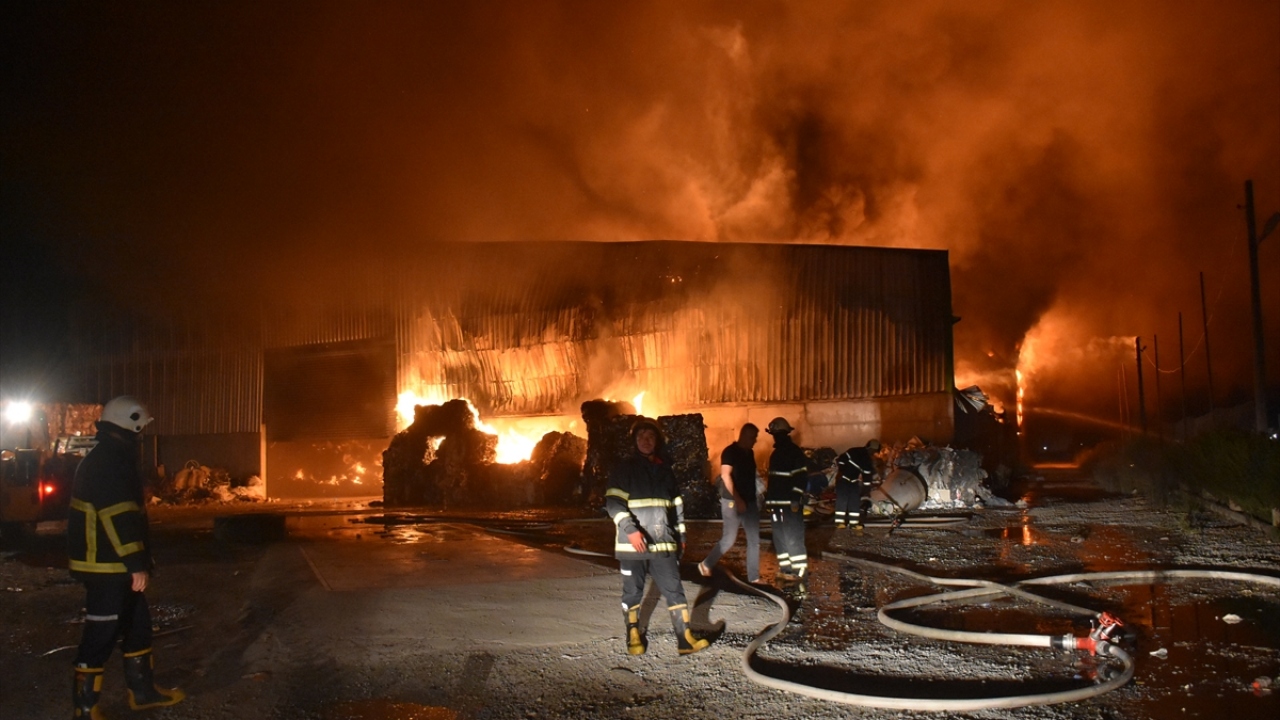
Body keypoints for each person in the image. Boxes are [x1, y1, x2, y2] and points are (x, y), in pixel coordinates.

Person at [68, 396, 185, 717]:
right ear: (130, 424)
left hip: (114, 562)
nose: (142, 435)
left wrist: (141, 560)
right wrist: (136, 564)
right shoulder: (108, 462)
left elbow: (129, 518)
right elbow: (117, 517)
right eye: (140, 428)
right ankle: (85, 708)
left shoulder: (112, 456)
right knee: (101, 632)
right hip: (106, 566)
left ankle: (143, 693)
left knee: (137, 626)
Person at [605, 418, 709, 656]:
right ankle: (633, 634)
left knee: (674, 589)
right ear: (634, 440)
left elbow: (677, 507)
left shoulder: (665, 471)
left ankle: (685, 639)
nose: (645, 440)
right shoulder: (624, 470)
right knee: (633, 591)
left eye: (650, 436)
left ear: (657, 441)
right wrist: (630, 531)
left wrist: (680, 537)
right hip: (633, 545)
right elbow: (613, 503)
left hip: (663, 543)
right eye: (641, 436)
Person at [697, 423, 761, 583]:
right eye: (753, 437)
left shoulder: (749, 453)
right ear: (745, 436)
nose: (755, 441)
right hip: (732, 502)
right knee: (729, 539)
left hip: (750, 502)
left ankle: (754, 578)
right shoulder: (730, 452)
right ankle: (706, 564)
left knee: (754, 540)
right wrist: (738, 499)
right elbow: (726, 476)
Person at [762, 417, 810, 582]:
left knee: (793, 537)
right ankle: (786, 569)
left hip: (790, 505)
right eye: (775, 434)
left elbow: (801, 477)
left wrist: (796, 497)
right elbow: (774, 480)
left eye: (777, 433)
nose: (776, 437)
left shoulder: (794, 452)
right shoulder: (776, 454)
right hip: (776, 505)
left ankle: (800, 572)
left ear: (784, 433)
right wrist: (768, 501)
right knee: (780, 538)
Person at [835, 439, 881, 531]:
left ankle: (854, 523)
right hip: (843, 480)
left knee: (854, 502)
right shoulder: (856, 452)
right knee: (842, 501)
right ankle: (839, 523)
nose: (873, 453)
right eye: (874, 451)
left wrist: (866, 491)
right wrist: (842, 470)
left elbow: (867, 477)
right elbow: (840, 460)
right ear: (869, 448)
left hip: (853, 481)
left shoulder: (866, 459)